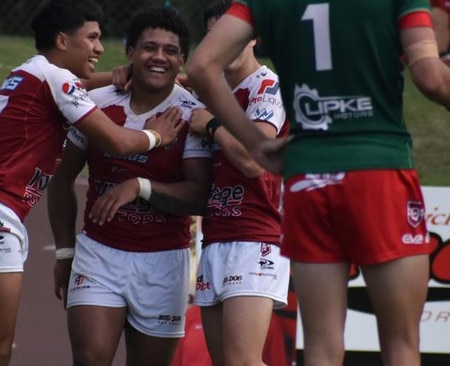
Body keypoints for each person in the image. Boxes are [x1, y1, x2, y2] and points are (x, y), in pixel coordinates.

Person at [187, 1, 450, 366]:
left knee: (321, 349)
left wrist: (256, 142)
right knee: (401, 344)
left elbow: (201, 65)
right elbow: (432, 78)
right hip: (377, 168)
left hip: (307, 178)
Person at [0, 0, 185, 364]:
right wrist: (156, 136)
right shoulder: (57, 79)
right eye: (92, 38)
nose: (99, 48)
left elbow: (79, 84)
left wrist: (119, 76)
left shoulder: (32, 72)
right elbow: (117, 141)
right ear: (63, 41)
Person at [47, 7, 212, 366]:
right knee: (90, 359)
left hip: (164, 261)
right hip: (99, 255)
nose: (159, 57)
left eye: (170, 51)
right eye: (149, 47)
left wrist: (140, 186)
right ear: (130, 53)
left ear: (181, 60)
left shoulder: (192, 114)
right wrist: (64, 252)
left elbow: (200, 196)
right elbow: (60, 179)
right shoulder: (97, 104)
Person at [186, 1, 291, 365]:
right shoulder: (209, 92)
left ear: (253, 39)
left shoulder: (267, 86)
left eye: (232, 37)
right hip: (214, 237)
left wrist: (213, 125)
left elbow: (252, 161)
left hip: (256, 237)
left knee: (243, 362)